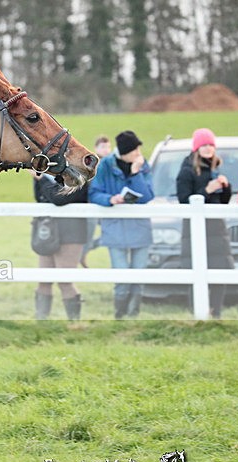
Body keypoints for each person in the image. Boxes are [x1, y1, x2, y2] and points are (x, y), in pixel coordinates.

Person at [89, 130, 155, 319]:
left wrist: (135, 174)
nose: (138, 153)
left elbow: (148, 196)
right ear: (126, 151)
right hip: (115, 228)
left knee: (138, 277)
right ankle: (120, 315)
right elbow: (94, 194)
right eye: (135, 149)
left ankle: (133, 315)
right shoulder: (106, 166)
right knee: (122, 278)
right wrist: (111, 199)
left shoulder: (142, 165)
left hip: (140, 228)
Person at [177, 128, 233, 319]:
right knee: (196, 273)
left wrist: (226, 188)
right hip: (195, 232)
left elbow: (222, 202)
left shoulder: (215, 169)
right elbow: (184, 201)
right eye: (204, 145)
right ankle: (198, 313)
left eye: (211, 145)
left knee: (219, 273)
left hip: (217, 231)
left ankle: (216, 313)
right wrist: (207, 190)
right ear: (196, 148)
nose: (208, 148)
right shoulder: (186, 171)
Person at [33, 172, 89, 320]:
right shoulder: (51, 177)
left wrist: (41, 179)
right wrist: (40, 178)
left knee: (65, 280)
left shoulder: (79, 178)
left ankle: (74, 321)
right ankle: (41, 322)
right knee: (44, 280)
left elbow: (57, 198)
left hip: (71, 233)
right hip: (48, 232)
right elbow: (40, 198)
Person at [81, 135, 113, 267]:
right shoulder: (92, 162)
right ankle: (82, 255)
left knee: (108, 234)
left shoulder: (112, 162)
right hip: (92, 204)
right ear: (96, 148)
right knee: (89, 235)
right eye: (103, 147)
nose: (106, 149)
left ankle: (83, 253)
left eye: (108, 147)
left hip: (107, 203)